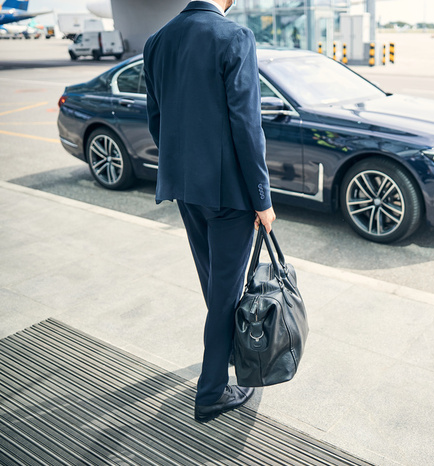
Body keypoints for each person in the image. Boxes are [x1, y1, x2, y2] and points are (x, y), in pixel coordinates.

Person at [143, 0, 276, 423]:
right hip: (230, 195)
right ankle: (211, 392)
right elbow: (247, 124)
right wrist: (263, 198)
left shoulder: (157, 41)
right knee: (223, 294)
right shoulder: (234, 37)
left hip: (186, 189)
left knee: (216, 286)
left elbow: (156, 118)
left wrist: (182, 170)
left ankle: (225, 354)